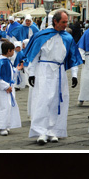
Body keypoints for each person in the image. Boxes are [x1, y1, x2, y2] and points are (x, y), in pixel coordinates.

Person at [23, 10, 82, 145]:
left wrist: (74, 75)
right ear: (55, 22)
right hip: (44, 70)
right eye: (63, 22)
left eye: (67, 22)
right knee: (43, 100)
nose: (66, 25)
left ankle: (54, 130)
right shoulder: (41, 36)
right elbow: (34, 56)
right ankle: (41, 131)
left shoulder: (67, 38)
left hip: (59, 71)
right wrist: (31, 73)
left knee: (58, 101)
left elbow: (73, 57)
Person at [0, 41, 22, 136]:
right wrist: (6, 86)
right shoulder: (1, 62)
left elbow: (10, 73)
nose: (13, 53)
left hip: (9, 89)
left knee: (8, 106)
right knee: (3, 107)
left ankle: (7, 124)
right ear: (8, 51)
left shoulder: (6, 61)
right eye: (12, 51)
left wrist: (16, 70)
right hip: (3, 90)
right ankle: (2, 126)